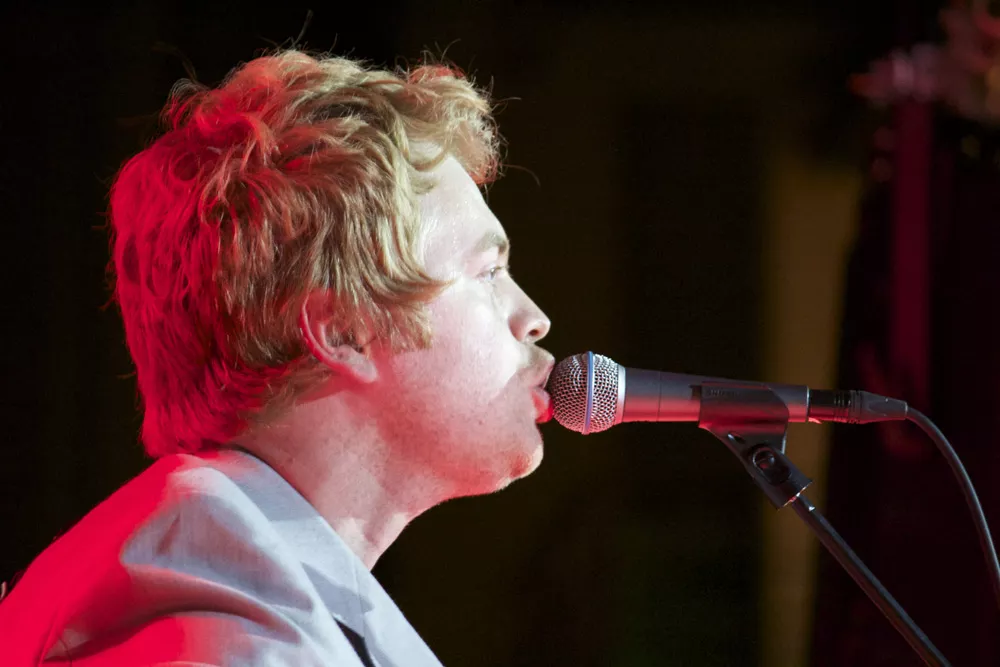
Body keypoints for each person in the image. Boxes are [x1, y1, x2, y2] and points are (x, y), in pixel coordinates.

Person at [0, 49, 553, 666]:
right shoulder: (230, 632)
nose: (534, 318)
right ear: (344, 331)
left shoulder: (232, 588)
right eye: (489, 271)